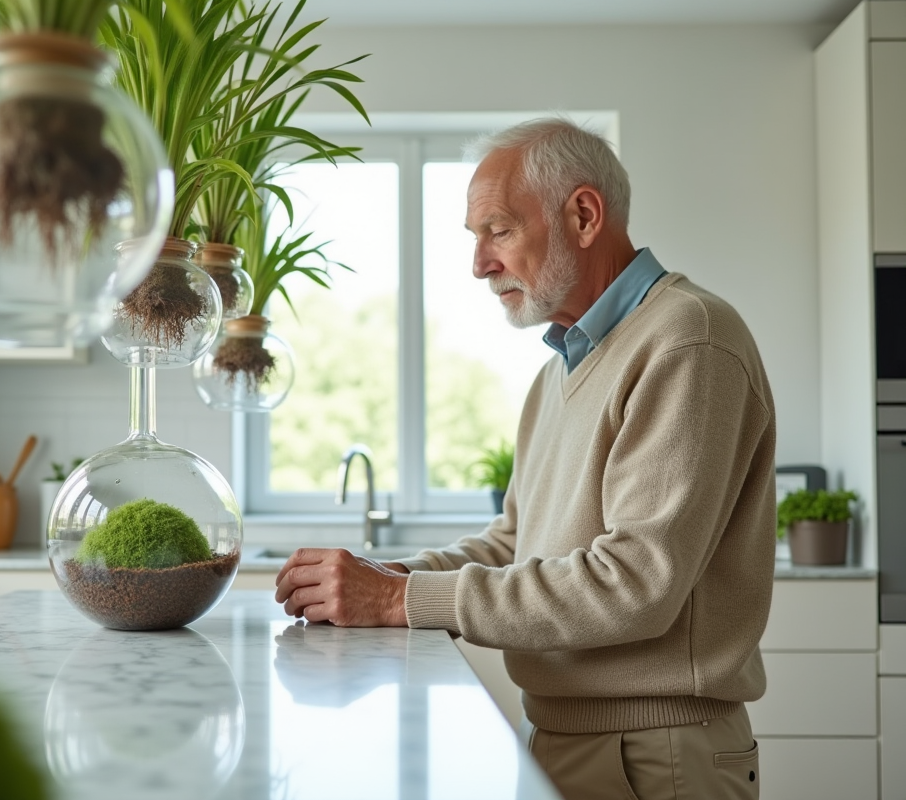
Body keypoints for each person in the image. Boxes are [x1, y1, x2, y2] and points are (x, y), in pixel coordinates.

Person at [274, 117, 775, 800]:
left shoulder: (687, 340)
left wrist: (398, 599)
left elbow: (633, 585)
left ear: (584, 214)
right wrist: (387, 575)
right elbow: (516, 543)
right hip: (569, 737)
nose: (479, 263)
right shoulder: (562, 368)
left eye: (498, 230)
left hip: (654, 754)